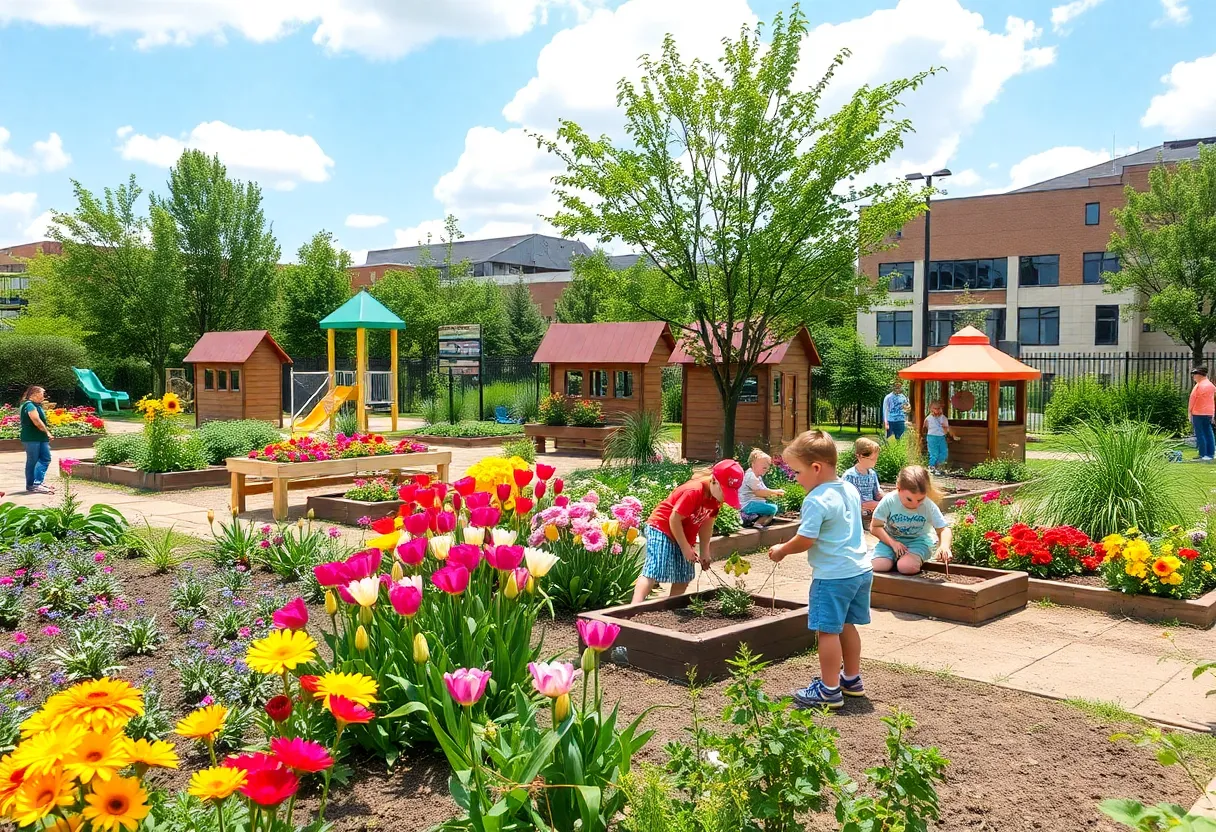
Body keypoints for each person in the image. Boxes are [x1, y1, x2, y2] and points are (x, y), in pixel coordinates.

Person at [768, 430, 871, 710]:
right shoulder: (849, 488)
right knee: (847, 625)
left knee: (827, 631)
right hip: (860, 571)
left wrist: (782, 550)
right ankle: (851, 679)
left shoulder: (815, 499)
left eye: (797, 472)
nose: (795, 478)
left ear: (816, 468)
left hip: (833, 577)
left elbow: (806, 539)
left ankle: (828, 690)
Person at [632, 459, 744, 605]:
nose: (725, 497)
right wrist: (685, 548)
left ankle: (670, 607)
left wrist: (705, 551)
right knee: (655, 569)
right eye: (725, 491)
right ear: (714, 481)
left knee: (684, 576)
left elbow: (707, 524)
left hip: (684, 533)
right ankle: (634, 607)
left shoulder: (716, 498)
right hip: (662, 527)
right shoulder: (694, 491)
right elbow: (674, 519)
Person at [869, 465, 952, 576]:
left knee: (906, 567)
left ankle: (906, 560)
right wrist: (893, 543)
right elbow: (875, 527)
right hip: (890, 541)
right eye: (909, 499)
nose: (915, 504)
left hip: (918, 542)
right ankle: (888, 558)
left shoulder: (928, 505)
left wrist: (944, 546)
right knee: (879, 566)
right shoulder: (889, 501)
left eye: (920, 499)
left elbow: (943, 529)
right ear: (898, 488)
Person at [20, 385, 54, 494]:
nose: (44, 395)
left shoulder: (36, 405)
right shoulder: (29, 405)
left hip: (40, 437)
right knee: (33, 461)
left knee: (45, 458)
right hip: (31, 438)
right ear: (34, 394)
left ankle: (36, 483)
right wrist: (47, 432)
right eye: (42, 393)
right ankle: (34, 484)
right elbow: (36, 420)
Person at [842, 437, 884, 522]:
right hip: (855, 516)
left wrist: (890, 498)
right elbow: (849, 501)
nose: (875, 461)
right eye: (872, 459)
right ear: (860, 456)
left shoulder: (872, 474)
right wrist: (879, 505)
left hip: (871, 513)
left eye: (876, 458)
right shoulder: (850, 476)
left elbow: (877, 493)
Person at [739, 449, 785, 527]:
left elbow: (764, 490)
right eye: (764, 468)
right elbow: (759, 492)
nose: (766, 470)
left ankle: (758, 522)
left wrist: (772, 493)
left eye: (767, 468)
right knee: (772, 508)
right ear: (753, 464)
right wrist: (775, 492)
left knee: (771, 509)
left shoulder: (757, 476)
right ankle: (758, 523)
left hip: (753, 504)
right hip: (748, 505)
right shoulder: (751, 476)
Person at [1189, 366, 1216, 462]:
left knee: (1200, 433)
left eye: (1194, 375)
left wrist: (1189, 412)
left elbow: (1192, 400)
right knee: (1209, 433)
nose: (1193, 377)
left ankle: (1203, 453)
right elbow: (1212, 400)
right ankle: (1210, 453)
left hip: (1198, 412)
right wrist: (1213, 413)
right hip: (1209, 412)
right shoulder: (1211, 386)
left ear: (1199, 375)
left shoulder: (1199, 386)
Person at [923, 400, 952, 473]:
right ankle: (931, 467)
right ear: (931, 409)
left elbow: (946, 430)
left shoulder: (944, 418)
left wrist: (944, 428)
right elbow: (925, 427)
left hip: (941, 437)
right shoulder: (928, 419)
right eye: (935, 408)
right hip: (932, 437)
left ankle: (939, 466)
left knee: (944, 452)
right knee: (934, 453)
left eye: (938, 408)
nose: (937, 410)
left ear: (941, 408)